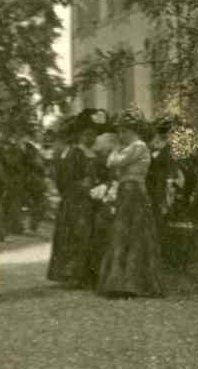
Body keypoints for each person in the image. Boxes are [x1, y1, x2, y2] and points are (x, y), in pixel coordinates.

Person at [98, 115, 164, 298]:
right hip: (127, 193)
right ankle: (121, 283)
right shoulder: (131, 147)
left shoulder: (139, 146)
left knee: (133, 233)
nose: (120, 135)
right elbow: (111, 161)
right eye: (119, 131)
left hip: (134, 192)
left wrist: (116, 151)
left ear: (133, 131)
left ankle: (131, 283)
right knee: (124, 233)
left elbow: (113, 161)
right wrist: (117, 152)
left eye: (123, 131)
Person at [47, 115, 98, 288]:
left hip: (81, 199)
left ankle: (80, 275)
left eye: (93, 135)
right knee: (75, 236)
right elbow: (72, 179)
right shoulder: (73, 153)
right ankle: (73, 276)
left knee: (80, 236)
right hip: (75, 200)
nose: (91, 138)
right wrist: (82, 188)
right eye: (87, 135)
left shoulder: (81, 153)